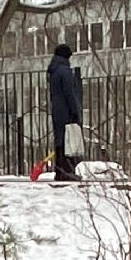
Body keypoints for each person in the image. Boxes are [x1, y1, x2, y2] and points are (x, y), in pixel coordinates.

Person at [46, 44, 83, 182]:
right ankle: (68, 171)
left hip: (57, 110)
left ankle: (59, 171)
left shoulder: (53, 71)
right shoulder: (65, 71)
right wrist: (75, 111)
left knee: (60, 141)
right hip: (66, 111)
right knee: (69, 141)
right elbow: (70, 93)